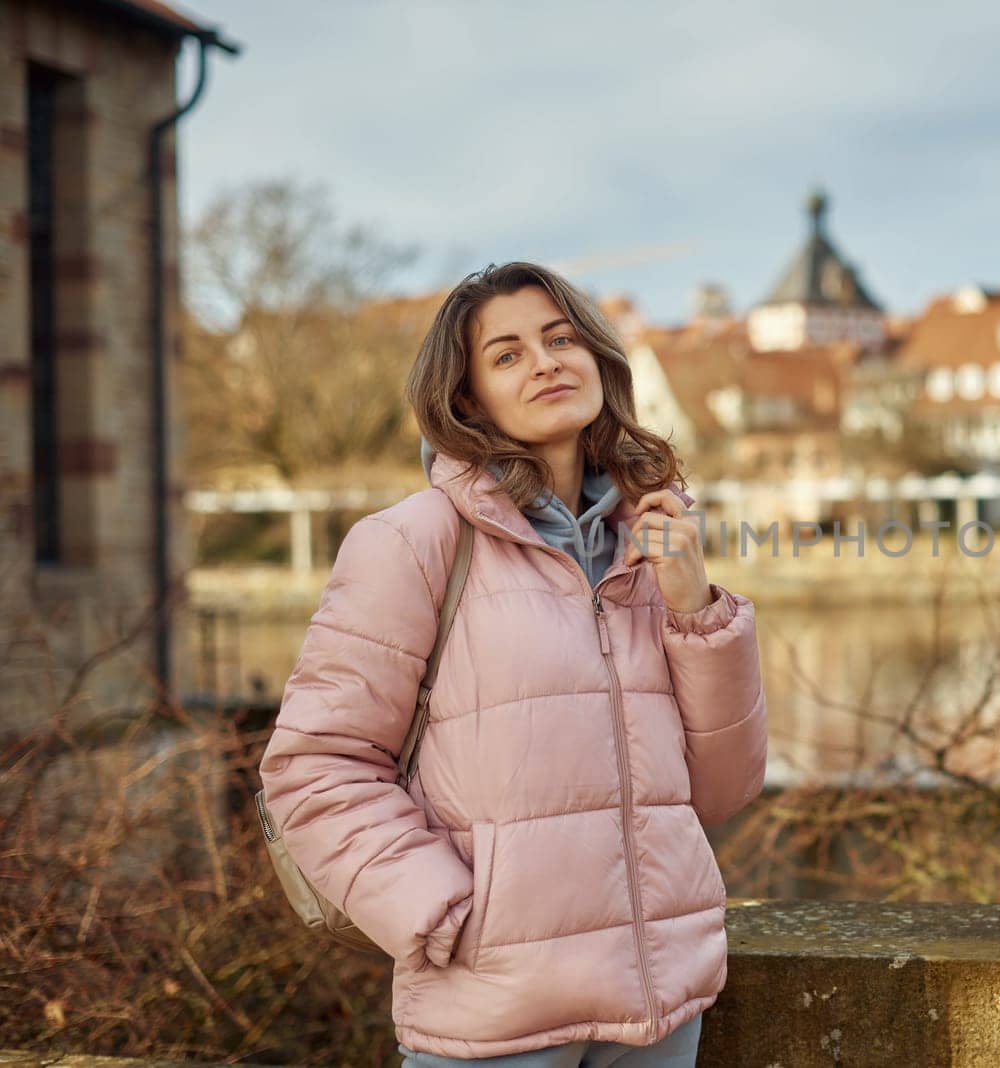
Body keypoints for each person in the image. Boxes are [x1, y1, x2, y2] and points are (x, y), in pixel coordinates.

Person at [257, 262, 768, 1066]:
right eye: (508, 355)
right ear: (467, 401)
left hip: (658, 1009)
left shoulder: (654, 543)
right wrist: (441, 911)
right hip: (496, 1013)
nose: (546, 362)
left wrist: (696, 608)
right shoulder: (412, 542)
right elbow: (315, 767)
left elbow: (722, 789)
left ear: (599, 358)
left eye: (561, 339)